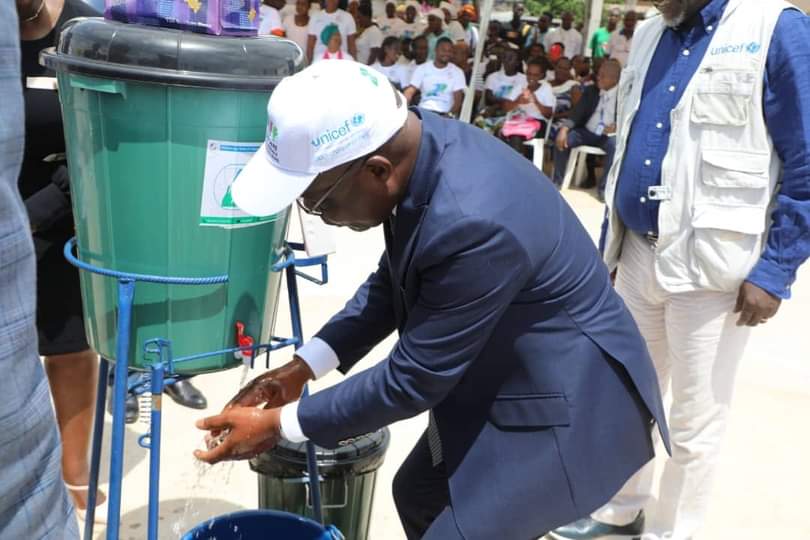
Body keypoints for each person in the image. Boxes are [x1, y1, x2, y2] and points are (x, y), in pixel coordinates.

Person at [193, 58, 669, 540]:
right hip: (505, 377)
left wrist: (277, 425)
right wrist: (300, 369)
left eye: (317, 200)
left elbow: (411, 380)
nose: (317, 214)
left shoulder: (474, 221)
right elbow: (391, 283)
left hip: (568, 410)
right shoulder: (421, 147)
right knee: (418, 492)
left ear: (377, 171)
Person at [551, 1, 810, 539]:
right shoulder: (650, 32)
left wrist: (776, 268)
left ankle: (675, 532)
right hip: (638, 254)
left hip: (714, 270)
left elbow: (806, 158)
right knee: (627, 399)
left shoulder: (773, 28)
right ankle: (619, 512)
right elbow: (629, 147)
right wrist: (611, 247)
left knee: (695, 424)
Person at [3, 2, 79, 538]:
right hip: (11, 211)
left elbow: (98, 144)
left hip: (63, 212)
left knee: (69, 351)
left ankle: (75, 474)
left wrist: (35, 217)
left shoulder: (83, 29)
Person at [552, 59, 620, 197]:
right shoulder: (591, 91)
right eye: (598, 74)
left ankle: (603, 190)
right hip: (586, 132)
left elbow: (629, 117)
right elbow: (578, 112)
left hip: (607, 136)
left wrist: (618, 127)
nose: (598, 77)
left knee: (615, 146)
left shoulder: (624, 95)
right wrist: (564, 129)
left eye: (603, 75)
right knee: (562, 139)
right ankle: (557, 182)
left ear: (614, 78)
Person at [500, 58, 556, 155]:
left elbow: (549, 115)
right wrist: (518, 101)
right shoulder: (521, 86)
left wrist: (535, 101)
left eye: (535, 75)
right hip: (518, 122)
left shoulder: (546, 88)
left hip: (538, 124)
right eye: (529, 74)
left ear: (542, 75)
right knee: (501, 133)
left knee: (515, 138)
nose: (531, 77)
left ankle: (517, 166)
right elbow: (505, 108)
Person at [404, 37, 465, 117]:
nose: (446, 53)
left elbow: (458, 101)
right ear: (435, 50)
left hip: (444, 114)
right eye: (443, 50)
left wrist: (449, 115)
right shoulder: (423, 68)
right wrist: (405, 109)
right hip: (424, 111)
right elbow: (409, 91)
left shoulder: (457, 72)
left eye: (449, 51)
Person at [475, 49, 527, 133]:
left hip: (512, 112)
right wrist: (506, 102)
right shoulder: (493, 77)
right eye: (505, 57)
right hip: (493, 111)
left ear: (517, 62)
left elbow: (519, 100)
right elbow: (489, 98)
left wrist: (500, 103)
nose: (506, 60)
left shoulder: (524, 79)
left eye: (510, 58)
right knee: (480, 122)